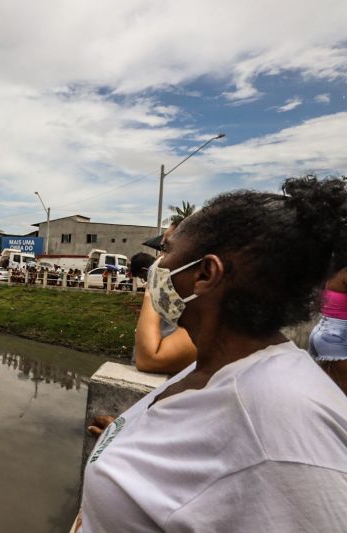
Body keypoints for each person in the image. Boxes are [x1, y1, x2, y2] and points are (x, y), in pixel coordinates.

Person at [74, 176, 347, 532]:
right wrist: (127, 442)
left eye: (168, 251)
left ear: (205, 273)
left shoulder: (281, 426)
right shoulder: (213, 367)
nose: (158, 264)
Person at [132, 231, 198, 374]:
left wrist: (153, 287)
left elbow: (150, 359)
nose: (159, 259)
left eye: (166, 249)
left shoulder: (214, 319)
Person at [310, 266, 347, 394]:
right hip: (336, 337)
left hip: (327, 333)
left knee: (329, 387)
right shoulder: (344, 275)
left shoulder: (333, 274)